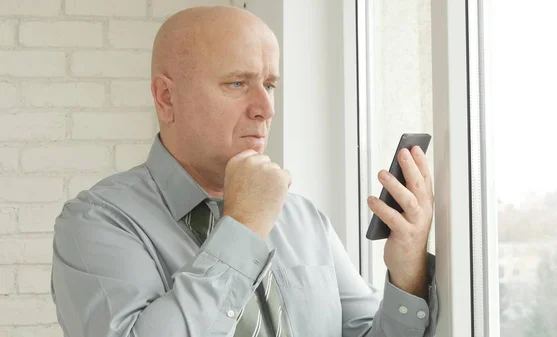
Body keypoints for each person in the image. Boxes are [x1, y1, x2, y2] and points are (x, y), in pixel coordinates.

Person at [51, 5, 438, 337]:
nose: (265, 109)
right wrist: (242, 231)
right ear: (167, 98)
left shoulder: (303, 218)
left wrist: (407, 276)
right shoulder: (97, 222)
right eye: (237, 83)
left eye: (269, 85)